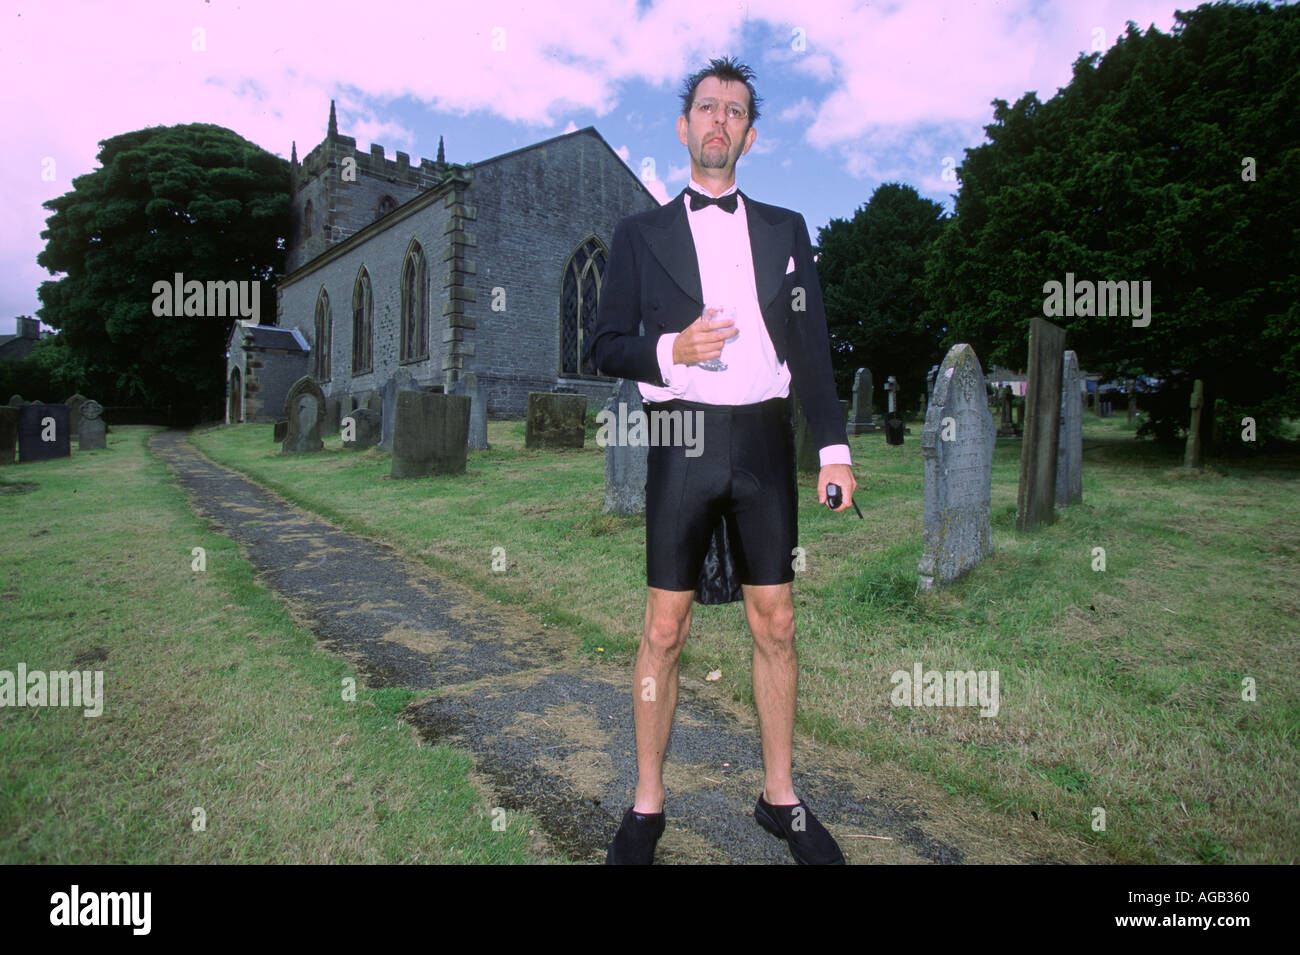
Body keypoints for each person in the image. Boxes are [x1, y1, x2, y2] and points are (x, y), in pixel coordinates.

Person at [587, 56, 857, 865]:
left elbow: (810, 347)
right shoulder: (638, 234)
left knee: (776, 619)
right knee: (663, 628)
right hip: (681, 437)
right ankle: (646, 803)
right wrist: (672, 348)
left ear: (749, 133)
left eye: (733, 111)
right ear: (683, 126)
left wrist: (835, 447)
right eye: (705, 108)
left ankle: (780, 797)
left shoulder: (787, 230)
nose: (717, 122)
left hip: (766, 438)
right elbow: (601, 346)